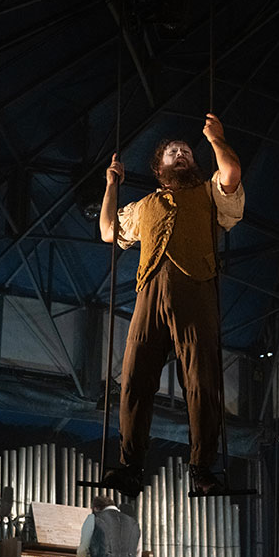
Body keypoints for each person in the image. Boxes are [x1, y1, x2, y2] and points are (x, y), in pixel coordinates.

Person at [99, 113, 245, 498]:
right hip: (150, 291)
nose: (180, 154)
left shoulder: (210, 193)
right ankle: (131, 466)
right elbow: (109, 230)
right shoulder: (145, 205)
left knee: (201, 379)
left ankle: (202, 466)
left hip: (195, 287)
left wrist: (216, 139)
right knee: (135, 377)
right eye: (172, 153)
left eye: (186, 152)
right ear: (159, 168)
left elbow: (231, 172)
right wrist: (112, 185)